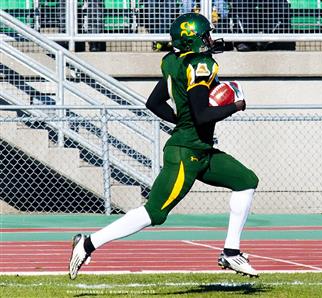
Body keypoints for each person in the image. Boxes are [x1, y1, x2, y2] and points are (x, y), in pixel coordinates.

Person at [69, 12, 259, 279]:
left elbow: (154, 103)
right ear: (193, 40)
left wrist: (181, 121)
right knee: (154, 212)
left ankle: (231, 253)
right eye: (205, 35)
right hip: (186, 153)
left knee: (246, 180)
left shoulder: (173, 61)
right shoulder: (200, 64)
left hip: (199, 148)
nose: (210, 39)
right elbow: (202, 114)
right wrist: (234, 106)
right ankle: (88, 244)